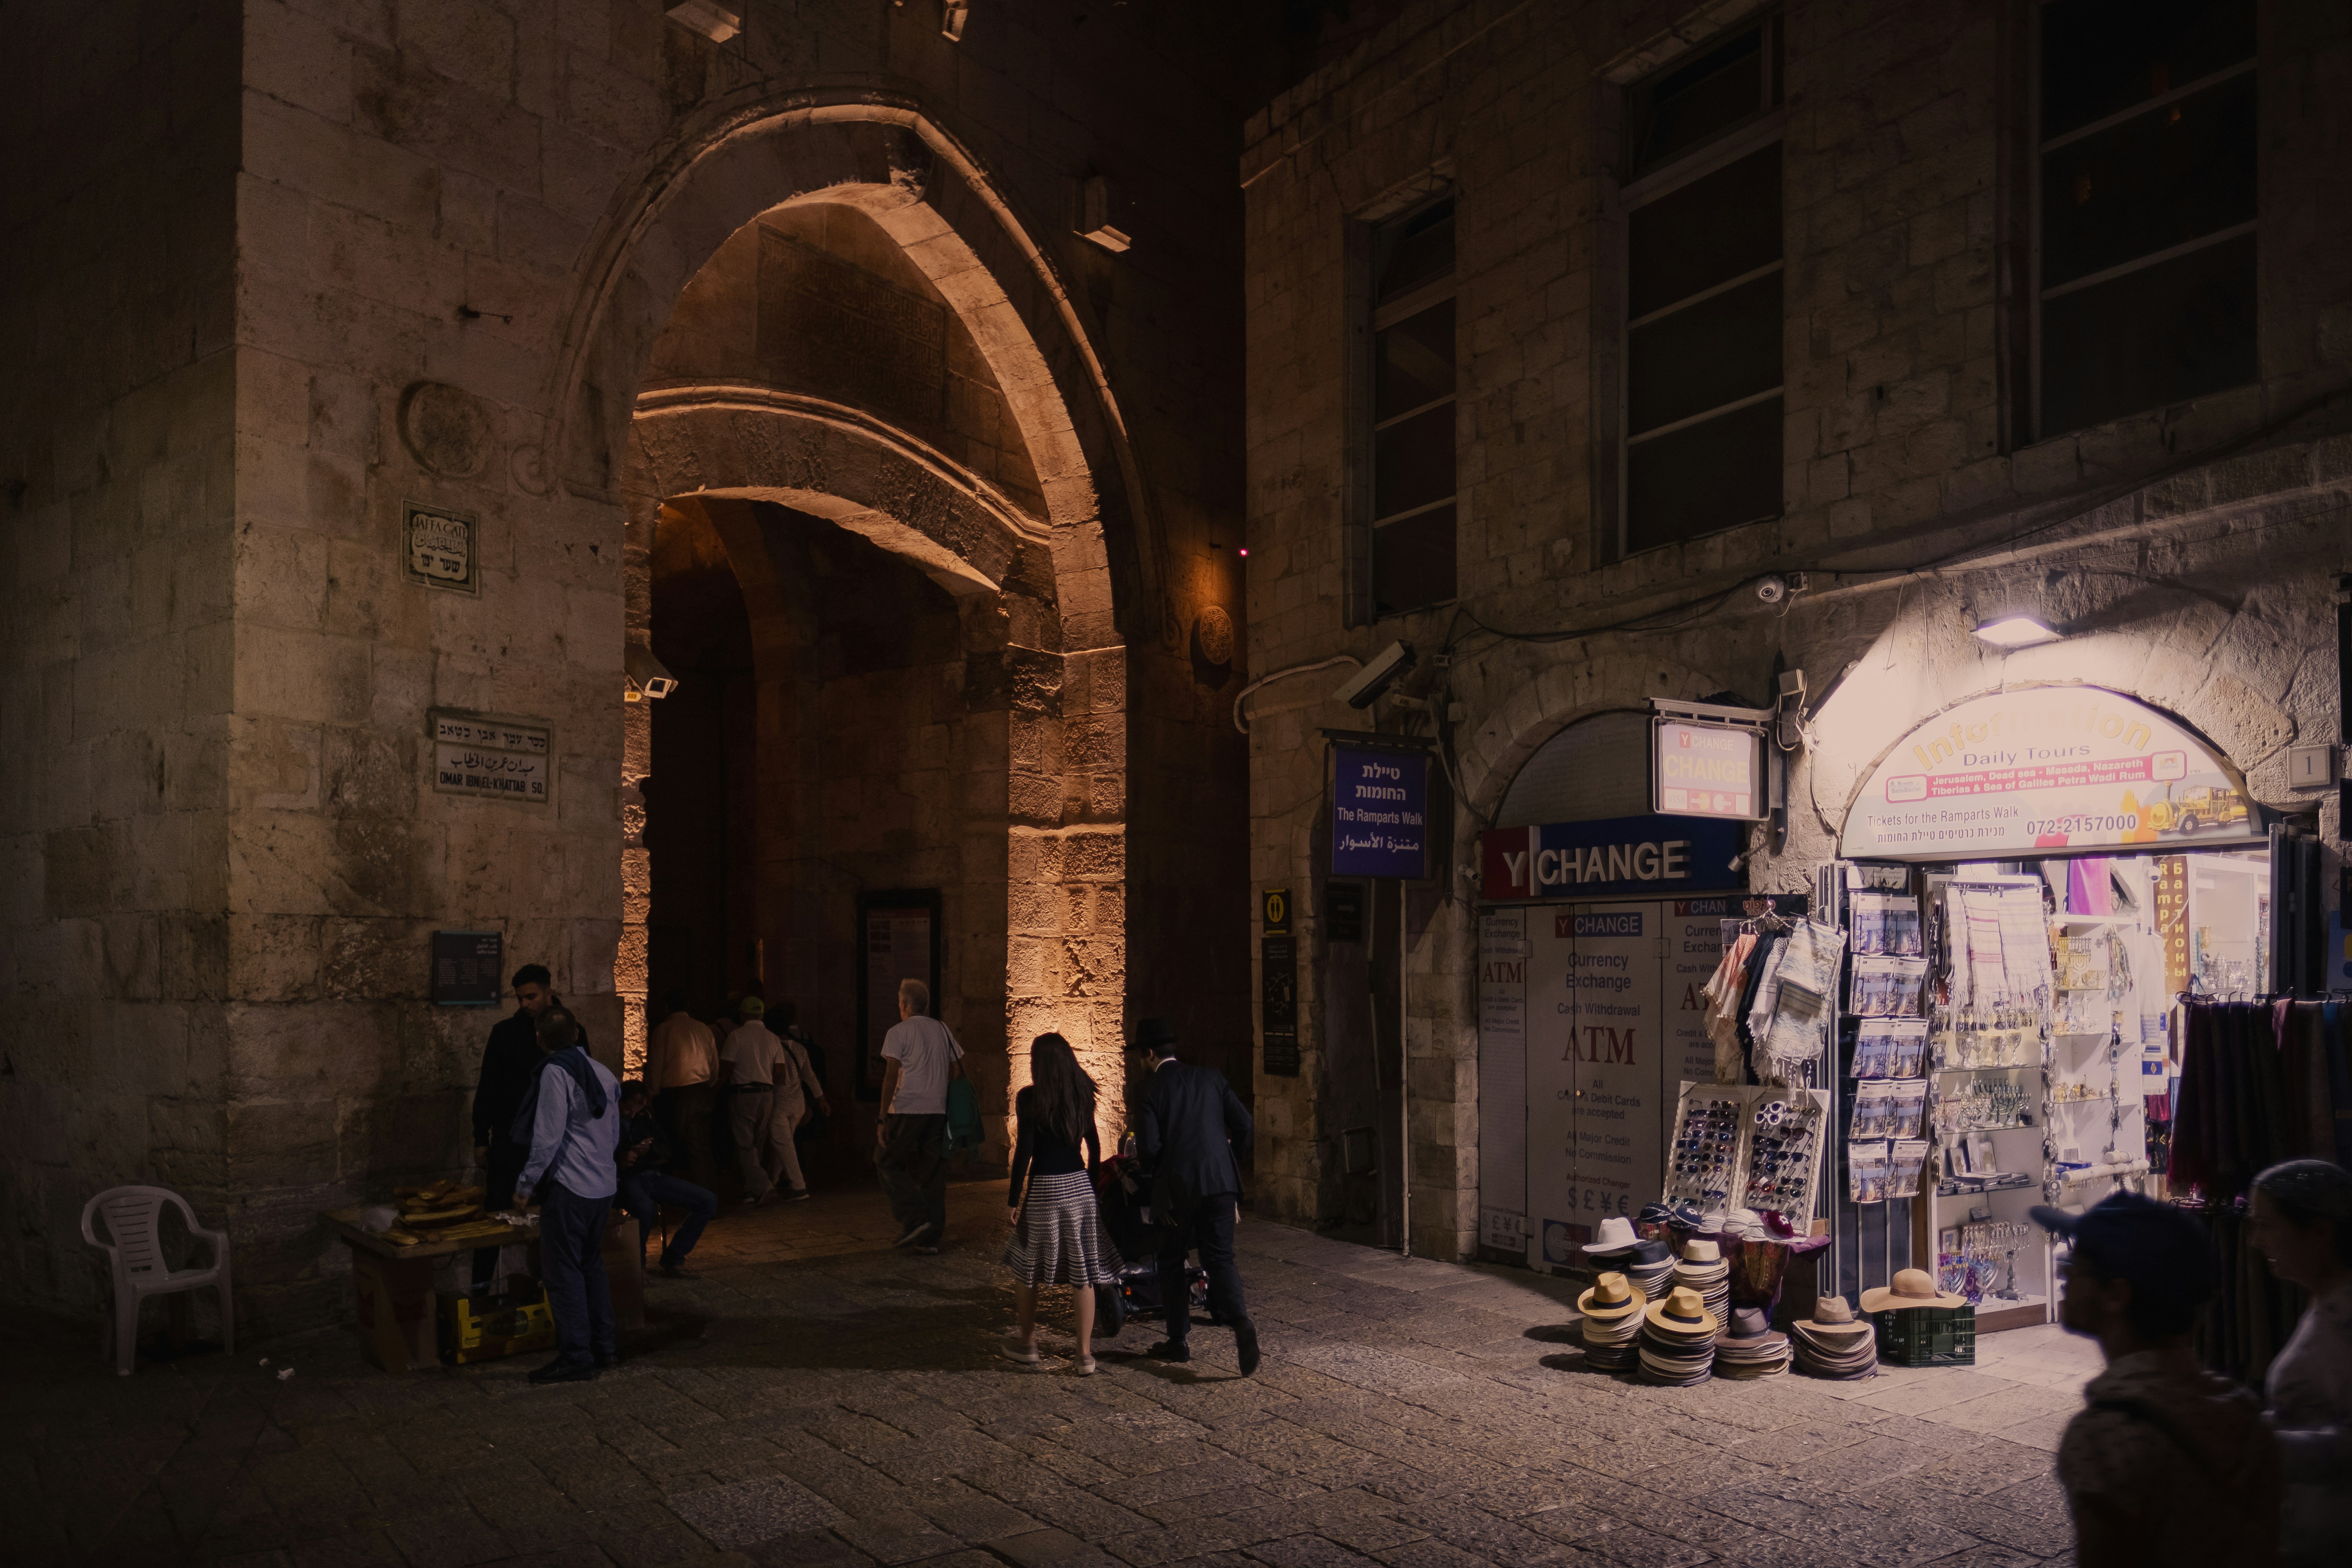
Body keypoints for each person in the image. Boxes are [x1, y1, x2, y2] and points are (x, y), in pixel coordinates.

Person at [2033, 1191, 2280, 1568]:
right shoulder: (2243, 1411)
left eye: (2075, 1266)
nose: (2063, 1277)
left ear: (2116, 1294)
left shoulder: (2105, 1436)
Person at [1134, 1016, 1259, 1375]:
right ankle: (1241, 1323)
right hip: (1221, 1185)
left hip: (1179, 1191)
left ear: (1149, 1053)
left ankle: (1178, 1340)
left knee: (1171, 1258)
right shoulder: (1211, 1078)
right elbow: (1245, 1125)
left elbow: (1150, 1150)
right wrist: (1229, 1160)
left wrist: (1156, 1179)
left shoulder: (1148, 1090)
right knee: (1220, 1258)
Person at [509, 1005, 623, 1384]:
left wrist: (525, 1186)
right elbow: (615, 1135)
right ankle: (605, 1347)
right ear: (576, 1034)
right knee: (591, 1264)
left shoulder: (556, 1073)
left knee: (563, 1272)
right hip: (603, 1186)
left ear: (541, 1041)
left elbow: (546, 1138)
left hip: (572, 1188)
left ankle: (577, 1356)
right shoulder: (604, 1073)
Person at [2250, 1159, 2352, 1566]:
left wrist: (2254, 1442)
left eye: (2267, 1224)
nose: (2256, 1241)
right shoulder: (2324, 1302)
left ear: (2320, 1232)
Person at [1001, 1032, 1122, 1374]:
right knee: (1083, 1272)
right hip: (1079, 1187)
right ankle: (1084, 1355)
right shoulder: (1082, 1095)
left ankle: (1027, 1343)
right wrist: (1093, 1183)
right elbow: (1096, 1148)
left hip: (1045, 1188)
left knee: (1028, 1268)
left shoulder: (1029, 1099)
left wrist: (1014, 1199)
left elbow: (1025, 1152)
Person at [468, 965, 585, 1293]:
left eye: (531, 996)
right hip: (510, 1140)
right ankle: (480, 1291)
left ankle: (549, 1292)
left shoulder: (573, 1033)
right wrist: (481, 1136)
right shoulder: (505, 1033)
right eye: (519, 998)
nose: (525, 1004)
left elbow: (582, 1089)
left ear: (549, 991)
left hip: (557, 1144)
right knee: (494, 1219)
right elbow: (488, 1086)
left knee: (552, 1222)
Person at [876, 978, 964, 1253]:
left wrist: (882, 1118)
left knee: (886, 1160)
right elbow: (956, 1070)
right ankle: (931, 1238)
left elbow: (891, 1075)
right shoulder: (943, 1030)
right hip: (937, 1110)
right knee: (933, 1171)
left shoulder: (898, 1032)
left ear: (905, 1005)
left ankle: (915, 1219)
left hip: (908, 1108)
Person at [614, 1080, 719, 1279]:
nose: (632, 1113)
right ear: (619, 1101)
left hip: (653, 1176)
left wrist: (649, 1149)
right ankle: (638, 1266)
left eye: (639, 1107)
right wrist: (621, 1158)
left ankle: (674, 1257)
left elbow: (666, 1149)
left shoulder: (645, 1119)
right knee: (645, 1208)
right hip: (626, 1179)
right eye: (628, 1108)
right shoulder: (607, 1120)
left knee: (707, 1201)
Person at [717, 998, 806, 1205]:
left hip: (743, 1094)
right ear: (761, 1015)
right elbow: (780, 1074)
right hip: (767, 1094)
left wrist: (715, 1089)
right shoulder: (773, 1039)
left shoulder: (736, 1036)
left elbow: (727, 1068)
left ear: (743, 1014)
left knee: (745, 1145)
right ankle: (751, 1191)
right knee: (757, 1143)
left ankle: (764, 1187)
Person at [647, 990, 721, 1187]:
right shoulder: (704, 1029)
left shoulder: (664, 1029)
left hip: (675, 1096)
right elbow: (714, 1065)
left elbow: (656, 1065)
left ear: (666, 1007)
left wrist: (652, 1093)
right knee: (701, 1150)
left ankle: (668, 1199)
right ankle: (708, 1200)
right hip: (702, 1091)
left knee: (668, 1147)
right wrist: (709, 1086)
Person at [767, 998, 830, 1189]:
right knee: (783, 1145)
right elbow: (810, 1076)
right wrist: (821, 1099)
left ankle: (798, 1186)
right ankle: (771, 1183)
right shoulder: (799, 1048)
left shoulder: (771, 1048)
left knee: (784, 1146)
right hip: (798, 1104)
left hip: (779, 1103)